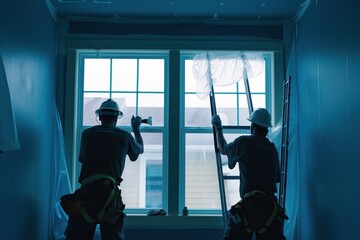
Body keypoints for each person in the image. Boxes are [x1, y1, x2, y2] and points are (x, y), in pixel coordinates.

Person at [61, 98, 144, 240]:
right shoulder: (124, 136)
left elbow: (82, 158)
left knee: (77, 236)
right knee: (113, 236)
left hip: (86, 194)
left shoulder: (87, 134)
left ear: (99, 117)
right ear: (116, 118)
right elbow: (139, 150)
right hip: (109, 195)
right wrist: (135, 129)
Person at [211, 108, 287, 240]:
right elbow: (276, 179)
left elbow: (223, 149)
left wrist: (218, 127)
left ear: (252, 126)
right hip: (270, 209)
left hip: (249, 207)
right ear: (266, 129)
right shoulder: (272, 149)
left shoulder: (244, 143)